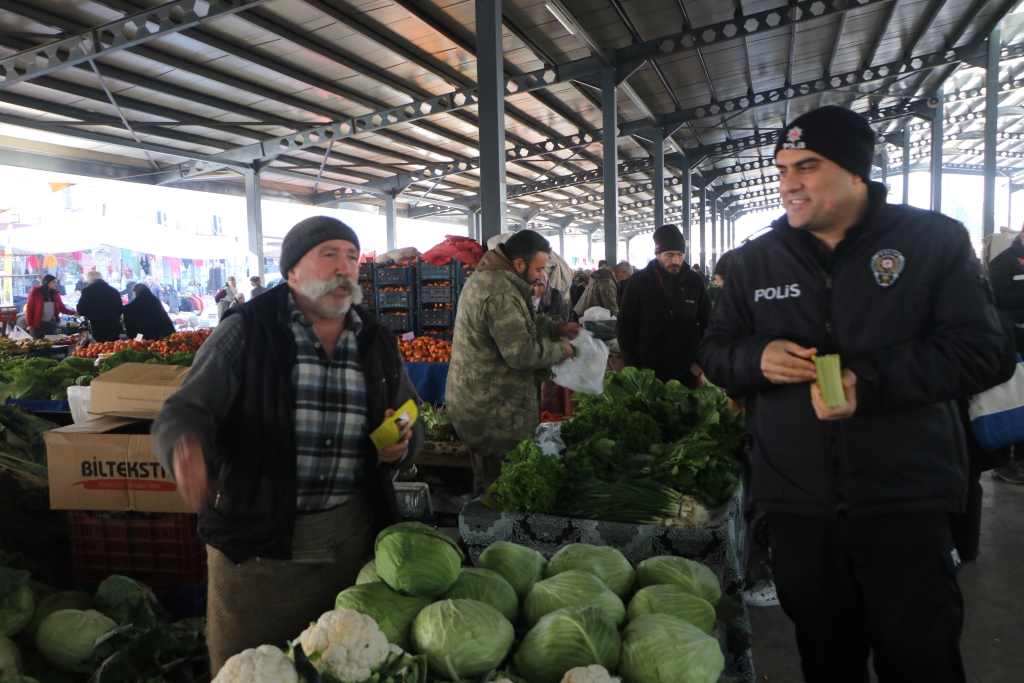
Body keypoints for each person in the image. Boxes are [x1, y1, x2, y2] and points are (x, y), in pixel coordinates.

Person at [698, 106, 1008, 683]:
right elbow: (715, 351)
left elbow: (984, 351)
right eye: (782, 167)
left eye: (807, 166)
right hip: (799, 510)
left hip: (906, 503)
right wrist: (752, 359)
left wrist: (872, 384)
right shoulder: (751, 262)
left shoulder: (932, 241)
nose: (789, 181)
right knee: (827, 661)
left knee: (922, 661)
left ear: (857, 172)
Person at [152, 216, 423, 675]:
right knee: (249, 669)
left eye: (352, 257)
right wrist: (185, 449)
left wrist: (402, 446)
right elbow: (185, 409)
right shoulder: (247, 330)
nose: (345, 268)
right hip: (255, 553)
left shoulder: (376, 340)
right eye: (329, 255)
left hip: (348, 546)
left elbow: (410, 414)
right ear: (292, 272)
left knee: (338, 667)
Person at [447, 230, 581, 495]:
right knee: (498, 491)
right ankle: (484, 533)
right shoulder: (499, 293)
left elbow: (525, 324)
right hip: (492, 412)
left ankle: (477, 527)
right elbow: (520, 352)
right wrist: (560, 351)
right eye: (539, 268)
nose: (541, 275)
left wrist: (555, 328)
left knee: (485, 482)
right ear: (519, 264)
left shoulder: (501, 282)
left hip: (485, 403)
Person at [617, 224, 711, 388]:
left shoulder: (694, 281)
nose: (676, 260)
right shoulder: (638, 282)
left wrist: (701, 360)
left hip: (686, 371)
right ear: (658, 253)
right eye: (670, 255)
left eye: (680, 255)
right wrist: (634, 366)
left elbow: (708, 323)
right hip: (648, 371)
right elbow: (625, 325)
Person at [984, 230, 1024, 483]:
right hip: (1013, 340)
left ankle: (1021, 457)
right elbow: (994, 298)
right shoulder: (1005, 261)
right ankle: (1001, 461)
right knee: (1010, 400)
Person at [76, 270, 124, 342]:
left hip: (96, 328)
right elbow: (120, 309)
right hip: (113, 327)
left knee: (98, 350)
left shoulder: (88, 291)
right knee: (113, 349)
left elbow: (81, 310)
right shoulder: (114, 291)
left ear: (89, 280)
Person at [25, 274, 76, 338]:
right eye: (53, 282)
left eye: (56, 282)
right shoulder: (35, 292)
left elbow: (62, 308)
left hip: (53, 324)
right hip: (38, 324)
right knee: (39, 344)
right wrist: (29, 324)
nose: (56, 284)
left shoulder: (55, 293)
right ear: (46, 282)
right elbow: (29, 309)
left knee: (53, 343)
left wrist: (74, 313)